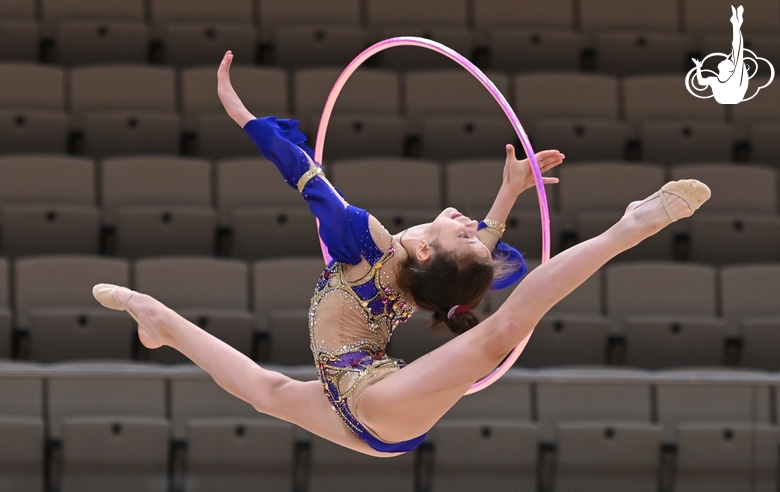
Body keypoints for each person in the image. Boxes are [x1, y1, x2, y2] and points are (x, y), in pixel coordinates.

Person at [93, 51, 711, 457]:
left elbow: (303, 173)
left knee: (498, 334)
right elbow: (468, 258)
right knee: (270, 391)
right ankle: (158, 321)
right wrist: (506, 192)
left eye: (461, 228)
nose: (470, 223)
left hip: (373, 401)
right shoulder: (423, 275)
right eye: (470, 229)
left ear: (420, 246)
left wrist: (245, 116)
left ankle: (631, 226)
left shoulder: (368, 246)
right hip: (359, 400)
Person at [692, 5, 749, 104]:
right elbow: (701, 82)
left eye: (728, 61)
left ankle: (736, 23)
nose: (725, 59)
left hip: (733, 95)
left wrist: (736, 26)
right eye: (728, 60)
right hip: (729, 97)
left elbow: (737, 49)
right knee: (737, 51)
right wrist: (698, 67)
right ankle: (736, 23)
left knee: (737, 51)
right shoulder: (715, 80)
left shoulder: (733, 78)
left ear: (729, 69)